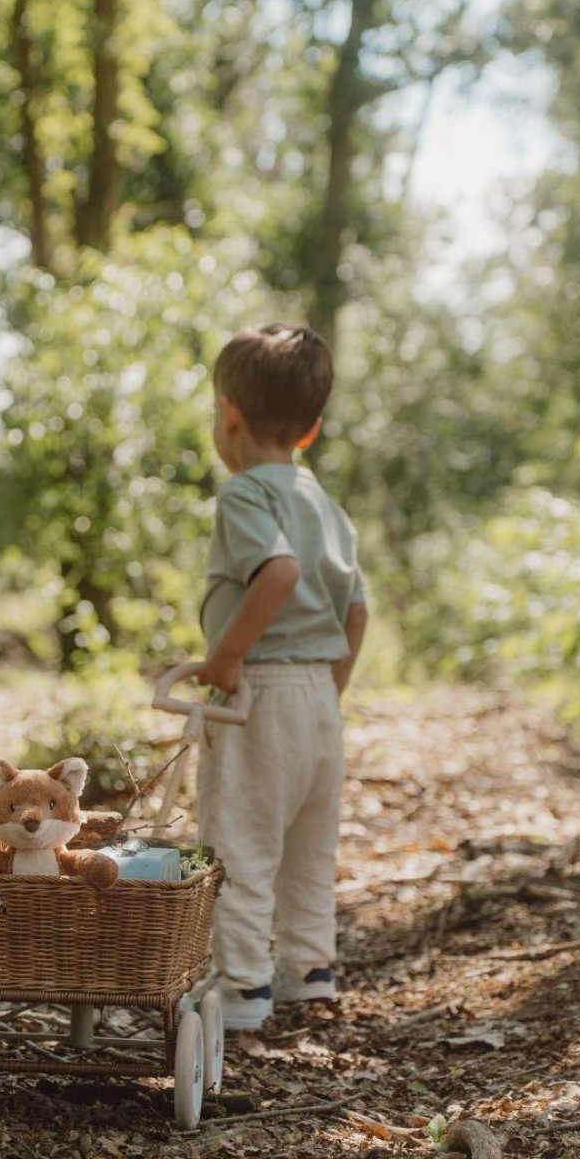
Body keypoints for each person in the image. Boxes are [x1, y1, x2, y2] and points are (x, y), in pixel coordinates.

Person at [195, 324, 368, 1030]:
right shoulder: (325, 505)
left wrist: (226, 659)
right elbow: (357, 609)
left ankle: (239, 990)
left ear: (228, 414)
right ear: (313, 429)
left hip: (258, 692)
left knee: (238, 839)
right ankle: (308, 971)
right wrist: (333, 686)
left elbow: (279, 571)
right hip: (320, 698)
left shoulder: (243, 496)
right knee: (307, 842)